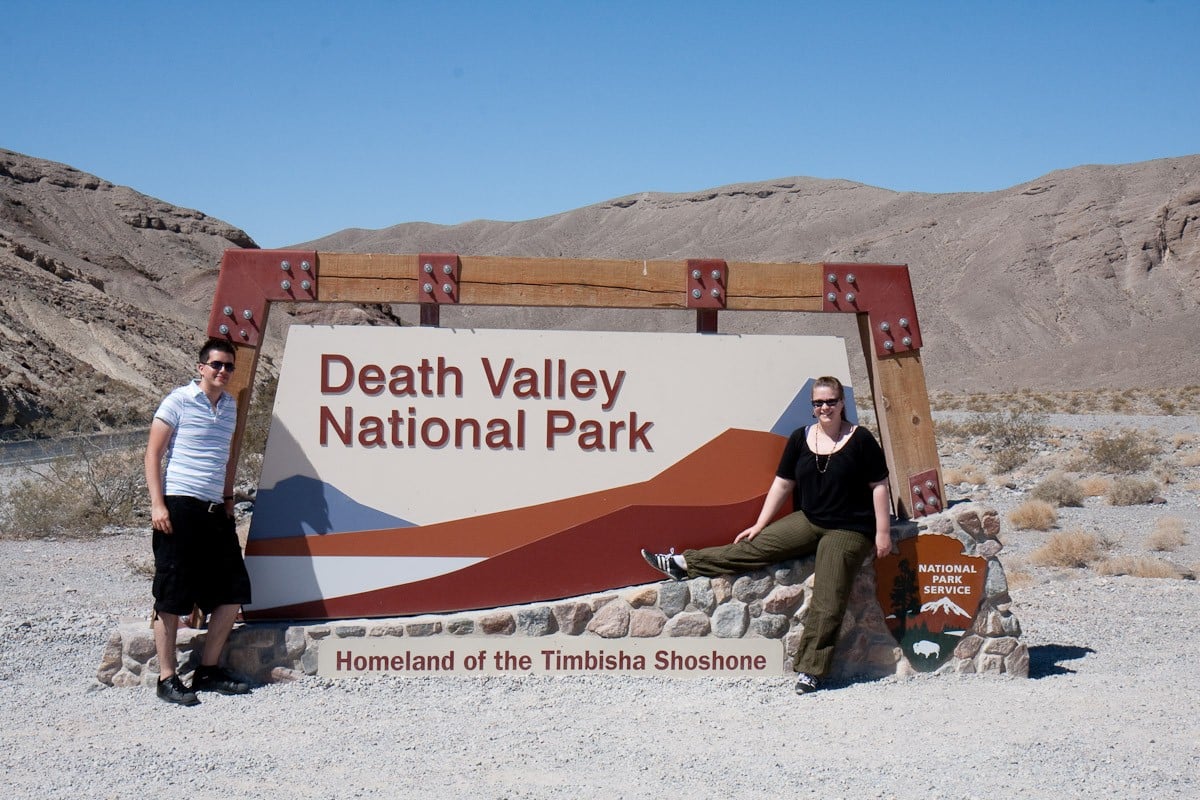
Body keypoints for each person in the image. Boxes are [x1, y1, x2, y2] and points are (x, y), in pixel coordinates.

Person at [641, 375, 891, 695]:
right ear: (812, 407)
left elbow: (879, 485)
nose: (825, 407)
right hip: (810, 519)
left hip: (848, 529)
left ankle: (810, 671)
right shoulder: (801, 438)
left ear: (842, 403)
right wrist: (761, 523)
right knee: (753, 547)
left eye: (831, 401)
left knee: (829, 597)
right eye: (818, 403)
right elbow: (783, 483)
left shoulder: (860, 439)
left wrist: (882, 533)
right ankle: (682, 563)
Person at [144, 337, 252, 706]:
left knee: (232, 591)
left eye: (228, 367)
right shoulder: (177, 401)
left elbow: (224, 458)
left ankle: (208, 671)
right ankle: (167, 677)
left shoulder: (230, 407)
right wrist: (158, 505)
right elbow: (153, 454)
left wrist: (227, 499)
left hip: (213, 511)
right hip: (179, 506)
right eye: (217, 365)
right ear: (201, 367)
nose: (222, 371)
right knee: (172, 595)